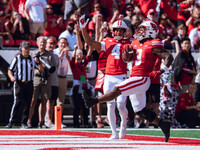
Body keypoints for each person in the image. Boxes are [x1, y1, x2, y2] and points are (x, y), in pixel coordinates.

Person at [82, 19, 174, 142]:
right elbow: (126, 54)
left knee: (117, 89)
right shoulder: (135, 43)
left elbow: (169, 56)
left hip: (142, 78)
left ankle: (93, 100)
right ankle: (163, 124)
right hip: (134, 77)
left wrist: (161, 71)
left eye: (143, 29)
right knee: (140, 111)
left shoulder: (153, 44)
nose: (140, 31)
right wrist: (128, 57)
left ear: (151, 32)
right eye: (140, 29)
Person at [80, 15, 133, 140]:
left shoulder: (130, 42)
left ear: (124, 32)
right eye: (116, 30)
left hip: (123, 77)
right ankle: (114, 132)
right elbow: (90, 43)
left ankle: (124, 123)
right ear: (113, 31)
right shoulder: (107, 41)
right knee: (110, 105)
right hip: (109, 76)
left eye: (121, 30)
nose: (118, 32)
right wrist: (83, 29)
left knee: (120, 106)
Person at [6, 41, 43, 129]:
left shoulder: (32, 59)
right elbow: (10, 70)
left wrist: (38, 62)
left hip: (29, 83)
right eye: (25, 48)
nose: (27, 50)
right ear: (21, 49)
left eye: (28, 48)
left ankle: (24, 122)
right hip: (19, 83)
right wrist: (11, 77)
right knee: (17, 102)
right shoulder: (17, 58)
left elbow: (41, 70)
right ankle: (11, 121)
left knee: (28, 103)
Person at [27, 36, 56, 128]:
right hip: (36, 78)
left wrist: (41, 64)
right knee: (33, 100)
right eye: (41, 42)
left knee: (44, 100)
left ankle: (42, 121)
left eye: (44, 42)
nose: (42, 44)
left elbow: (52, 68)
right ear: (37, 43)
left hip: (46, 78)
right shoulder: (34, 54)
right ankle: (29, 120)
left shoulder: (50, 55)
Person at [45, 37, 59, 128]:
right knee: (47, 101)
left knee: (53, 101)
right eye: (50, 43)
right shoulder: (44, 55)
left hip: (54, 80)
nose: (51, 45)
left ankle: (52, 120)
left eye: (53, 44)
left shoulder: (56, 56)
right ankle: (47, 120)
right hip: (47, 81)